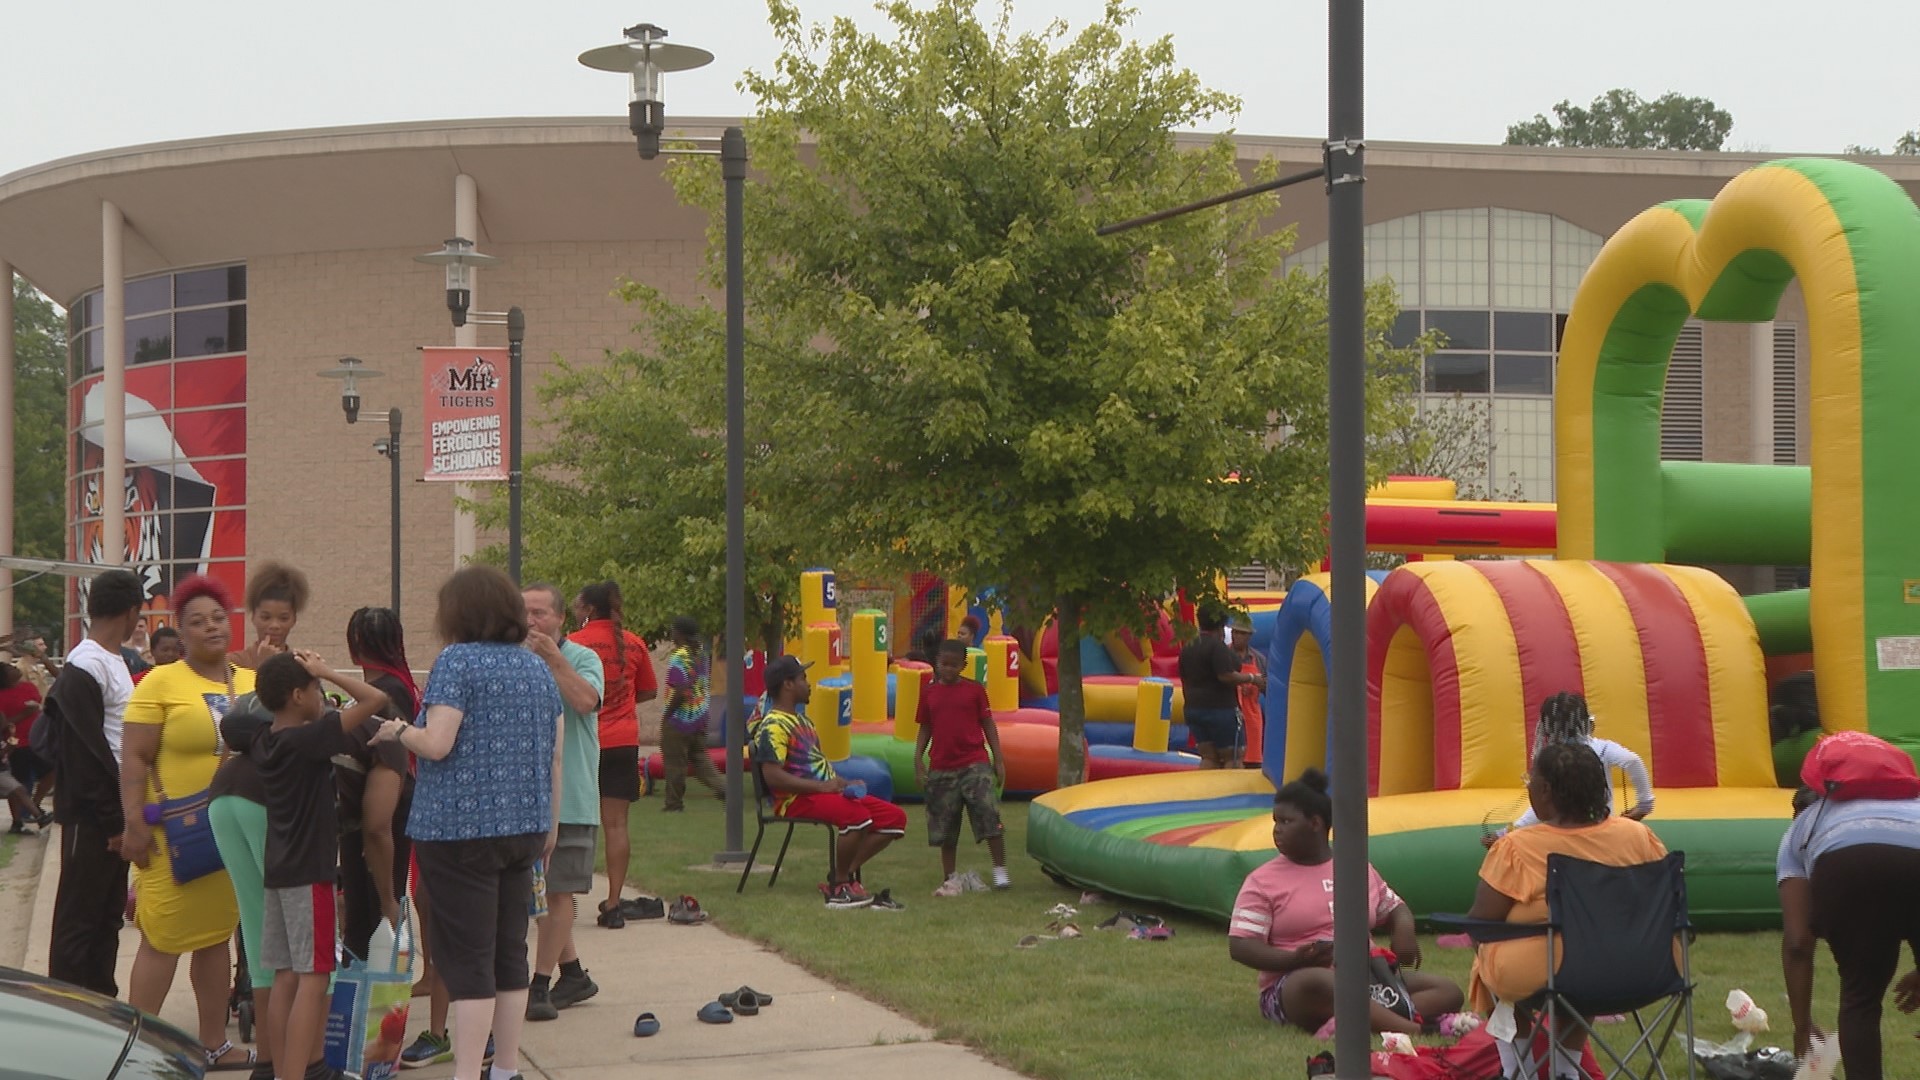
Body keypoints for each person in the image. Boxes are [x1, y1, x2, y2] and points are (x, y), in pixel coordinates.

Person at [372, 565, 562, 1080]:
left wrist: (397, 730)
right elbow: (554, 754)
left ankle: (466, 1073)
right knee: (509, 953)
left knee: (467, 958)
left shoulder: (457, 662)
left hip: (460, 830)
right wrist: (551, 824)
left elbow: (437, 743)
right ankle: (504, 1068)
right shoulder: (537, 669)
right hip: (524, 825)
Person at [1465, 742, 1670, 1080]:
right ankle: (1565, 1070)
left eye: (1530, 779)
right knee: (1587, 952)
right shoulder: (1640, 837)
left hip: (1549, 977)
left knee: (1491, 957)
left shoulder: (1517, 848)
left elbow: (1480, 924)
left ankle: (1518, 1071)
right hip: (1645, 971)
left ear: (1544, 790)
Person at [120, 573, 258, 1072]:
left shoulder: (250, 682)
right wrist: (134, 823)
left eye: (218, 618)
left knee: (215, 936)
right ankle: (134, 1048)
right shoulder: (160, 682)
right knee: (163, 937)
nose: (211, 628)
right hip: (170, 836)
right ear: (181, 631)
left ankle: (214, 1045)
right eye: (198, 622)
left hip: (231, 836)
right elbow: (133, 757)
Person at [1229, 768, 1471, 1039]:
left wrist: (1404, 931)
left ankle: (1351, 1021)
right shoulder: (1262, 881)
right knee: (1321, 981)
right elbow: (1240, 946)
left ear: (1315, 823)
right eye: (1276, 821)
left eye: (1286, 821)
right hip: (1298, 985)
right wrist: (1294, 959)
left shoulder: (1355, 867)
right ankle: (1420, 1028)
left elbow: (1395, 908)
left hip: (1367, 976)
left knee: (1448, 990)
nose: (1277, 830)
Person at [253, 651, 386, 1080]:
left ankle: (277, 1068)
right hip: (310, 874)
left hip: (278, 872)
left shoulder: (266, 740)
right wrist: (328, 671)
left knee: (285, 976)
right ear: (297, 694)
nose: (320, 694)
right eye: (314, 689)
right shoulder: (308, 740)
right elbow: (374, 700)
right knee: (314, 978)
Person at [1777, 764, 1920, 1078]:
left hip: (1848, 869)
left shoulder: (1802, 828)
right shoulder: (1908, 803)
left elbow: (1798, 944)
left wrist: (1802, 1026)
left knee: (1861, 999)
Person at [44, 568, 142, 997]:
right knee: (79, 919)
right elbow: (84, 755)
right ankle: (66, 1012)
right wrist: (115, 822)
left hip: (115, 810)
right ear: (133, 611)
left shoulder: (115, 660)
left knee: (106, 918)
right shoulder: (84, 666)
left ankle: (102, 1003)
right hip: (94, 816)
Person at [750, 655, 907, 909]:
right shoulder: (774, 725)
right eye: (803, 678)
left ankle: (839, 874)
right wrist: (822, 787)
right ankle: (840, 888)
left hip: (822, 793)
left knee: (895, 818)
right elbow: (773, 775)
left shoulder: (803, 721)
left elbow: (816, 768)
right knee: (856, 816)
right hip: (795, 800)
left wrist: (840, 783)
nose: (808, 684)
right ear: (788, 685)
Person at [520, 582, 605, 1023]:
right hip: (524, 800)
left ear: (560, 620)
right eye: (525, 614)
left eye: (540, 613)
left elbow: (586, 702)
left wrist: (553, 659)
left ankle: (539, 988)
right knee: (543, 897)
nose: (531, 622)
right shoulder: (513, 660)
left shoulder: (583, 658)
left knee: (557, 896)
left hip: (568, 798)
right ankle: (572, 973)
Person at [570, 580, 656, 928]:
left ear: (589, 609)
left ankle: (561, 899)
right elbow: (649, 691)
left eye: (577, 605)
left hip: (583, 742)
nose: (574, 611)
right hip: (622, 741)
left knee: (567, 822)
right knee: (617, 824)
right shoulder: (634, 643)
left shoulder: (572, 646)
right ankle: (614, 901)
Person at [339, 608, 418, 958]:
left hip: (386, 809)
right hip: (386, 808)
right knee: (363, 907)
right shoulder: (394, 684)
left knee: (374, 908)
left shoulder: (386, 693)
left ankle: (373, 996)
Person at [208, 694, 276, 1080]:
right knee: (306, 965)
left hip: (222, 803)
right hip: (262, 806)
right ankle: (307, 1062)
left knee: (257, 936)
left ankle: (266, 1062)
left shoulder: (229, 770)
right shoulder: (278, 765)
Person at [914, 639, 1010, 895]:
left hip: (974, 763)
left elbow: (988, 724)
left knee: (988, 812)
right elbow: (925, 727)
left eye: (954, 665)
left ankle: (1000, 871)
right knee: (945, 824)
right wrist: (917, 761)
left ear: (963, 666)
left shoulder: (975, 691)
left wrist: (998, 759)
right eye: (943, 664)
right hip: (941, 766)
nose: (948, 669)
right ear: (936, 663)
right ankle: (950, 877)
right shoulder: (929, 693)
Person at [1506, 692, 1653, 832]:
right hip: (1601, 827)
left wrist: (1512, 830)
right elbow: (1633, 761)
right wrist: (1644, 805)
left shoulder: (1550, 759)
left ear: (1546, 728)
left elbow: (1542, 802)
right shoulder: (1602, 748)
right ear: (1587, 722)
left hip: (1561, 831)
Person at [1179, 603, 1263, 768]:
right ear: (1221, 625)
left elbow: (1184, 681)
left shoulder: (1188, 647)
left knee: (1208, 757)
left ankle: (1206, 792)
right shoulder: (1218, 648)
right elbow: (1225, 676)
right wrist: (1252, 678)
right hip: (1220, 710)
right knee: (1233, 756)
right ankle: (1232, 793)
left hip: (1193, 708)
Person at [660, 616, 723, 811]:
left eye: (673, 630)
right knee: (701, 759)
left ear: (679, 633)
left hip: (680, 719)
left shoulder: (680, 656)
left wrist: (667, 715)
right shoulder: (701, 654)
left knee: (674, 763)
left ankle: (673, 803)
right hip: (699, 717)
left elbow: (680, 689)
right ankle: (726, 788)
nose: (671, 633)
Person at [230, 561, 309, 669]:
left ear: (294, 619)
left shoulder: (301, 665)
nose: (274, 625)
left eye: (283, 618)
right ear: (253, 617)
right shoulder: (234, 663)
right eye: (266, 617)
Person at [0, 663, 51, 831]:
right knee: (18, 784)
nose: (14, 668)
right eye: (9, 669)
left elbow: (38, 702)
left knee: (51, 771)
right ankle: (21, 820)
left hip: (36, 740)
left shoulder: (28, 686)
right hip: (14, 745)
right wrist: (22, 716)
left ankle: (35, 808)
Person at [1230, 624, 1267, 770]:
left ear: (1249, 636)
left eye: (1241, 633)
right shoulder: (1224, 654)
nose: (1236, 636)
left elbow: (1267, 686)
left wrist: (1257, 684)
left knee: (1253, 761)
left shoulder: (1258, 659)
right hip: (1231, 712)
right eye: (1234, 632)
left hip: (1252, 716)